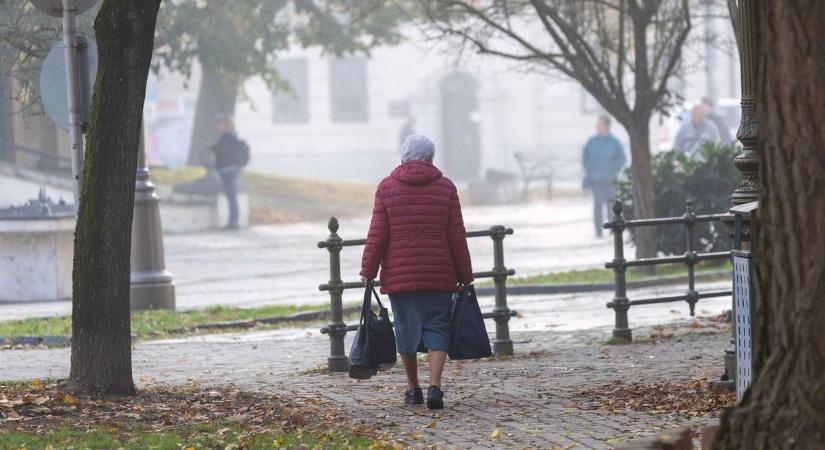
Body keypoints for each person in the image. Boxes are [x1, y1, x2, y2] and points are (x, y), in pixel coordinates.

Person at [360, 134, 473, 410]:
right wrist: (465, 274)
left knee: (406, 331)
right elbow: (456, 235)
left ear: (402, 157)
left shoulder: (386, 188)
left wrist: (368, 269)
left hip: (400, 276)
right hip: (439, 275)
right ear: (431, 159)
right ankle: (435, 387)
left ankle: (413, 389)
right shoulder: (446, 188)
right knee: (438, 328)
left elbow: (378, 234)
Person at [582, 115, 626, 238]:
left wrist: (613, 170)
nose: (598, 127)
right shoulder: (591, 141)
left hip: (610, 180)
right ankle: (598, 232)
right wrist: (591, 171)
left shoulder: (614, 142)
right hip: (596, 180)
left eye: (600, 125)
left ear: (606, 126)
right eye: (597, 125)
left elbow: (622, 159)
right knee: (597, 205)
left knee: (611, 206)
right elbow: (585, 159)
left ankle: (613, 231)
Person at [210, 113, 243, 230]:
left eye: (218, 125)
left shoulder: (227, 137)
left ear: (224, 125)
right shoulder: (231, 136)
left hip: (228, 170)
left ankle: (233, 222)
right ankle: (233, 221)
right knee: (231, 196)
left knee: (231, 196)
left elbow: (223, 152)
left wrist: (214, 148)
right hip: (230, 169)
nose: (216, 128)